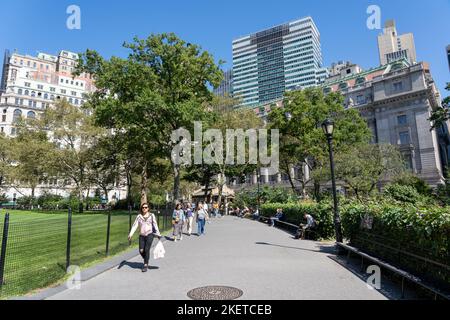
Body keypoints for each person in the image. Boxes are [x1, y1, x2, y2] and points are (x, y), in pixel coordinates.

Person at [128, 203, 162, 272]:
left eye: (146, 207)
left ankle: (145, 265)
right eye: (143, 207)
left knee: (146, 249)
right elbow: (135, 225)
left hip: (150, 234)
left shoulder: (152, 216)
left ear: (148, 208)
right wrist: (130, 234)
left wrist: (158, 234)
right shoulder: (139, 216)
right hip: (142, 235)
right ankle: (146, 259)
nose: (144, 208)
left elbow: (155, 225)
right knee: (141, 251)